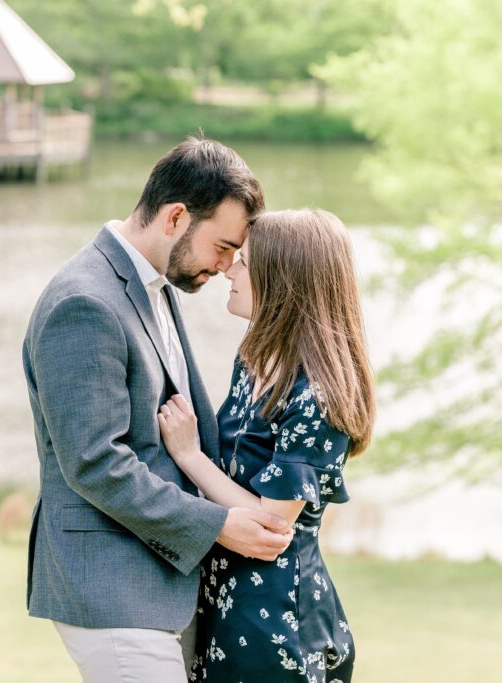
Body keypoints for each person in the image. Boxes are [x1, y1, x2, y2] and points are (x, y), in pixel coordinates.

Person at [22, 137, 294, 681]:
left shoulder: (156, 285)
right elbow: (95, 463)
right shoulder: (85, 301)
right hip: (111, 585)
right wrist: (217, 524)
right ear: (175, 217)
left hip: (163, 580)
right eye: (222, 247)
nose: (224, 267)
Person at [158, 209, 376, 683]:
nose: (228, 271)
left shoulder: (315, 396)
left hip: (276, 622)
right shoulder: (252, 361)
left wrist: (190, 456)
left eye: (245, 262)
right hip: (222, 603)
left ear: (283, 280)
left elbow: (272, 525)